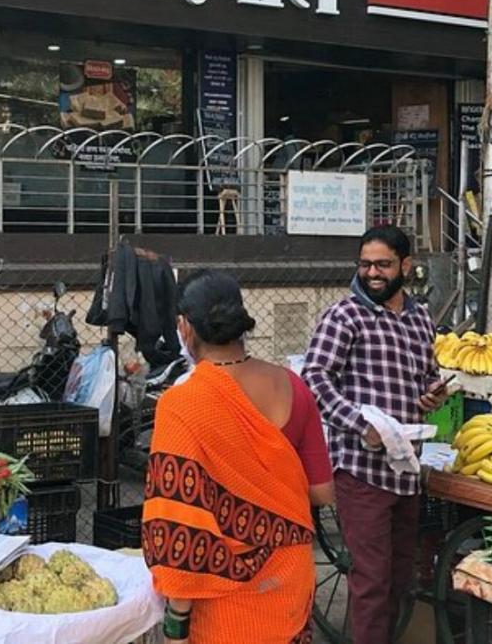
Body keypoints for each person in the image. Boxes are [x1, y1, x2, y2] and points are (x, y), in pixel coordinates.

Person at [142, 269, 334, 644]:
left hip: (225, 604)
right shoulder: (293, 386)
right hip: (289, 583)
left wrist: (176, 624)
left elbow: (178, 521)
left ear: (185, 328)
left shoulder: (181, 405)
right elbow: (323, 492)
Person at [302, 225, 446, 644]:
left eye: (383, 264)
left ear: (406, 265)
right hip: (361, 470)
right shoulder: (344, 316)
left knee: (401, 577)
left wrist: (430, 396)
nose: (372, 273)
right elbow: (314, 378)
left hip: (406, 469)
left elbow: (426, 376)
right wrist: (359, 425)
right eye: (365, 265)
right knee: (371, 582)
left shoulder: (420, 318)